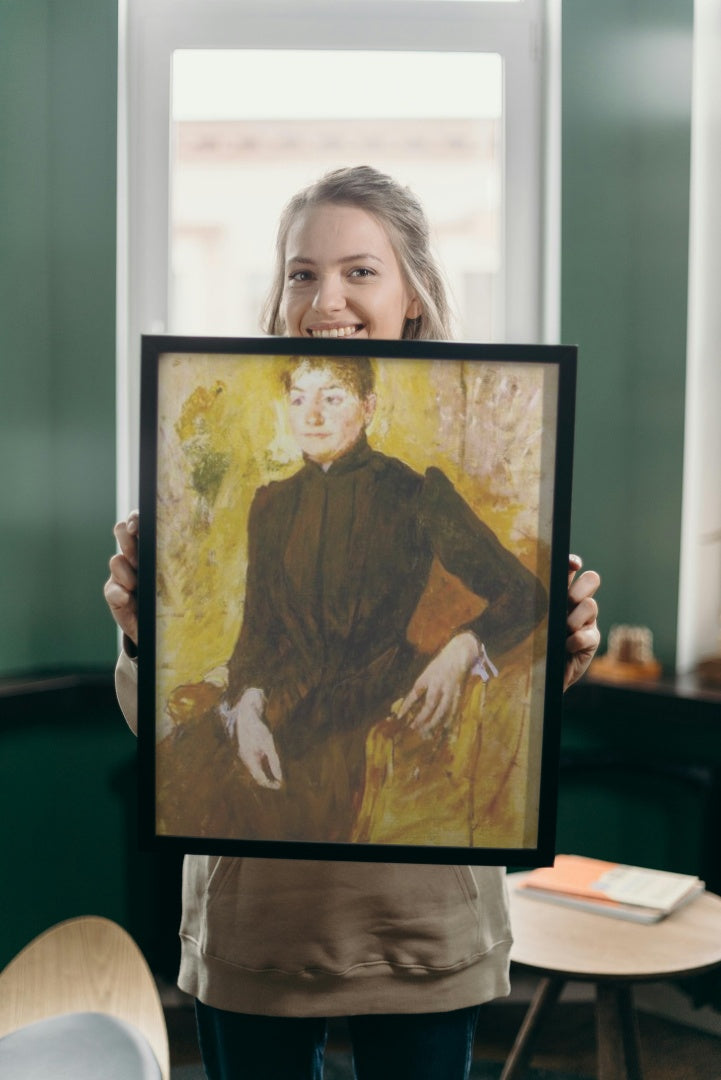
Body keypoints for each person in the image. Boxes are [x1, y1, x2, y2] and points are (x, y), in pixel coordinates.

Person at [105, 166, 601, 1080]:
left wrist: (485, 646)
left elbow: (521, 608)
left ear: (411, 296)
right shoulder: (265, 505)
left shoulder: (419, 494)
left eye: (359, 272)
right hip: (255, 916)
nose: (324, 296)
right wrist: (169, 655)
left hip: (415, 916)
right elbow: (236, 665)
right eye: (301, 273)